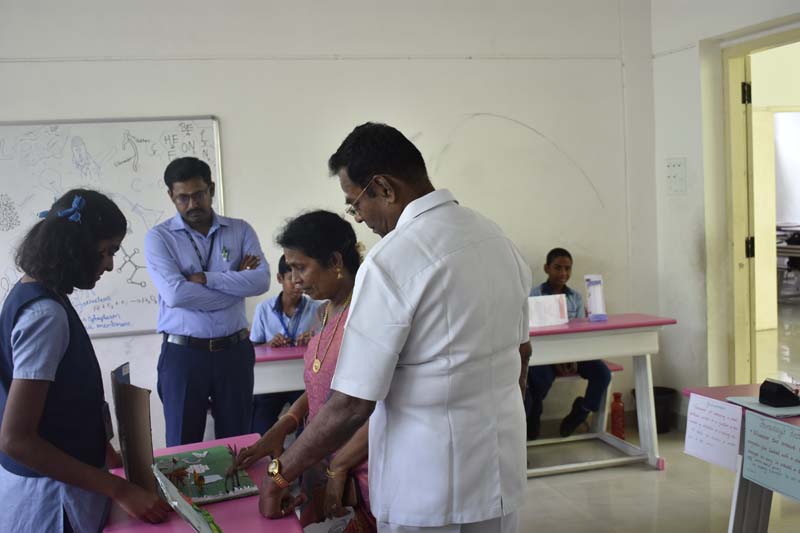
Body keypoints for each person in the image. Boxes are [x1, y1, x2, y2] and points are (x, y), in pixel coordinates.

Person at [258, 123, 532, 533]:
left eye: (355, 203)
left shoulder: (392, 260)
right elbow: (522, 354)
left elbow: (353, 403)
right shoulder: (496, 239)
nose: (359, 218)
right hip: (498, 474)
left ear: (384, 188)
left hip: (427, 484)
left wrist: (280, 475)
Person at [0, 190, 171, 532]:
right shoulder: (45, 315)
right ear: (75, 246)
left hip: (60, 483)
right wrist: (120, 489)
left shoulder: (36, 293)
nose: (109, 264)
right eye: (107, 251)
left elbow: (62, 399)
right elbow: (16, 439)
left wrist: (107, 453)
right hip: (51, 499)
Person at [237, 210, 375, 531]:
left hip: (359, 472)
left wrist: (338, 465)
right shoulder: (324, 312)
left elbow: (375, 407)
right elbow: (321, 387)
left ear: (335, 261)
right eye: (290, 269)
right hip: (321, 457)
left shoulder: (366, 314)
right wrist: (284, 425)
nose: (295, 279)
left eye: (301, 267)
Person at [144, 157, 269, 446]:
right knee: (181, 445)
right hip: (184, 355)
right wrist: (236, 284)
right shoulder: (159, 238)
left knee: (238, 444)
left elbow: (261, 281)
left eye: (198, 194)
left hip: (234, 352)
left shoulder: (240, 230)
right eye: (183, 198)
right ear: (171, 196)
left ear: (211, 189)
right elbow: (176, 295)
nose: (192, 204)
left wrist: (207, 279)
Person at [526, 247, 611, 440]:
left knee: (602, 374)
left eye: (568, 268)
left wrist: (572, 357)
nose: (563, 273)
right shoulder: (533, 296)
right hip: (544, 355)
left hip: (573, 354)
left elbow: (579, 333)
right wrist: (557, 359)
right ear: (547, 268)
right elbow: (531, 334)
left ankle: (581, 411)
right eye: (558, 267)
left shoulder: (576, 297)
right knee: (539, 380)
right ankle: (533, 422)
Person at [249, 254, 323, 435]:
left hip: (303, 381)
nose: (298, 284)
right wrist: (269, 344)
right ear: (279, 278)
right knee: (260, 426)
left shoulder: (317, 308)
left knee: (308, 426)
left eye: (301, 278)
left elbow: (326, 345)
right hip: (271, 381)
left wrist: (314, 339)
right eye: (291, 278)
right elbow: (254, 348)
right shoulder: (264, 309)